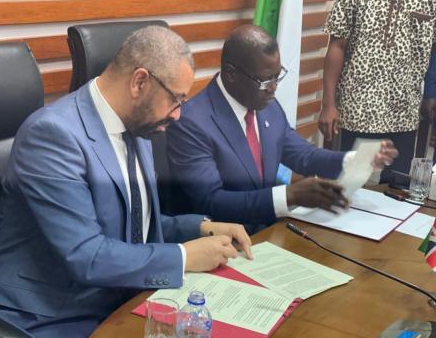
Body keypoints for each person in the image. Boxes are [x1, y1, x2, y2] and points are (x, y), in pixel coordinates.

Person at [0, 26, 252, 337]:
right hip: (44, 316)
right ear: (140, 82)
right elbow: (87, 255)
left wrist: (202, 227)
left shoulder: (138, 127)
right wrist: (184, 257)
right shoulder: (53, 136)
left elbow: (134, 226)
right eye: (176, 100)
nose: (178, 116)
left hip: (114, 299)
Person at [166, 24, 397, 234]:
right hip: (221, 245)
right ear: (231, 74)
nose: (273, 89)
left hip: (270, 233)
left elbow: (304, 155)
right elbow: (211, 202)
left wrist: (357, 159)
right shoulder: (191, 123)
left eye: (278, 77)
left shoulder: (267, 106)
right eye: (265, 81)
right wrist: (288, 196)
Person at [319, 0, 436, 182]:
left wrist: (431, 92)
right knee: (351, 184)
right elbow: (337, 46)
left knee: (397, 187)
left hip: (404, 111)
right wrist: (328, 104)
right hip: (357, 109)